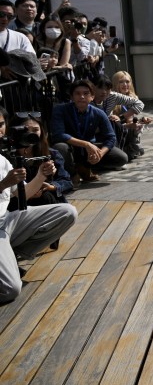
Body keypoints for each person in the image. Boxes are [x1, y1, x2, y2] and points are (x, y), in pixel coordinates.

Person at [0, 107, 77, 304]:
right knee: (11, 290)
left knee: (67, 212)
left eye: (0, 124)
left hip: (7, 221)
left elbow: (23, 192)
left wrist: (42, 174)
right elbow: (9, 187)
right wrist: (3, 185)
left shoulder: (2, 159)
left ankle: (13, 255)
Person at [50, 79, 130, 181]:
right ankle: (72, 174)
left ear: (92, 97)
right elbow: (59, 134)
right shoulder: (60, 110)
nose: (82, 97)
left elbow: (111, 137)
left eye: (86, 93)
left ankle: (86, 168)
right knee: (60, 147)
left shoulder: (99, 113)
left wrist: (100, 153)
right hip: (71, 147)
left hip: (90, 149)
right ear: (72, 97)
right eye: (77, 94)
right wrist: (86, 144)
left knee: (121, 158)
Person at [9, 112, 74, 206]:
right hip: (18, 202)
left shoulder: (51, 154)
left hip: (47, 199)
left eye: (35, 130)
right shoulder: (7, 156)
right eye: (25, 130)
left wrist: (51, 186)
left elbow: (67, 182)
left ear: (42, 132)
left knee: (47, 196)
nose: (31, 134)